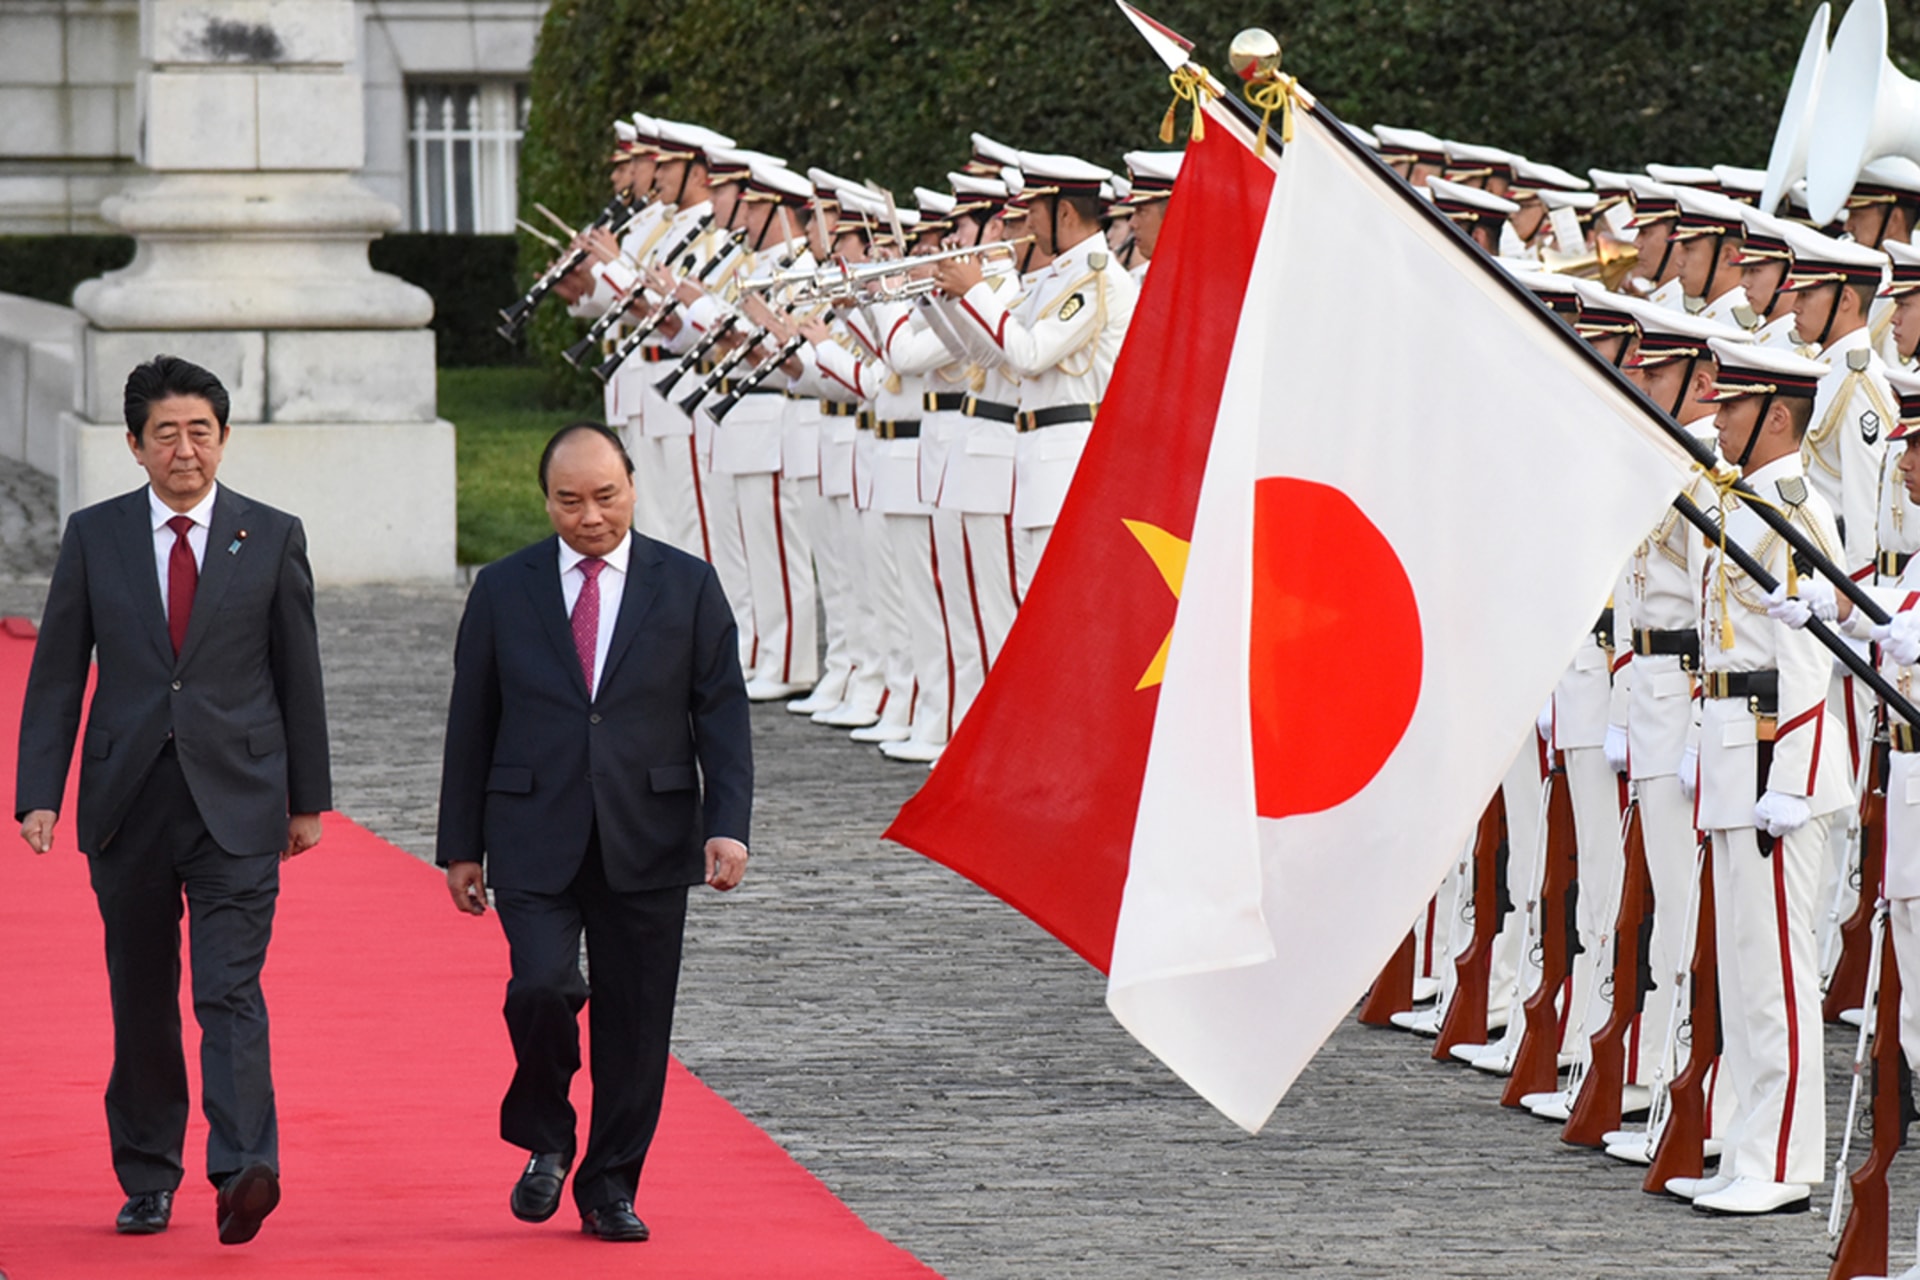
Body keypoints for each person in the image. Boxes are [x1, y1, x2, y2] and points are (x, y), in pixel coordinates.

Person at [14, 354, 331, 1244]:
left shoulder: (270, 535)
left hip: (239, 797)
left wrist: (308, 799)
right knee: (142, 994)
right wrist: (40, 788)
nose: (185, 449)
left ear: (223, 439)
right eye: (166, 434)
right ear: (135, 446)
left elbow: (297, 673)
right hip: (127, 800)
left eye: (201, 431)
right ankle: (148, 1172)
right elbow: (57, 672)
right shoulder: (95, 535)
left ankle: (243, 1170)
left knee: (230, 988)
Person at [435, 422, 751, 1242]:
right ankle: (545, 1138)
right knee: (541, 987)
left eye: (605, 497)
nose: (590, 516)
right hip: (533, 829)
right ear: (545, 500)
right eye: (570, 501)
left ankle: (609, 1186)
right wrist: (460, 845)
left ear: (633, 489)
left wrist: (729, 827)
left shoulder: (686, 586)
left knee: (636, 1026)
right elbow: (472, 720)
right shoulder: (504, 589)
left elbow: (722, 716)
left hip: (649, 832)